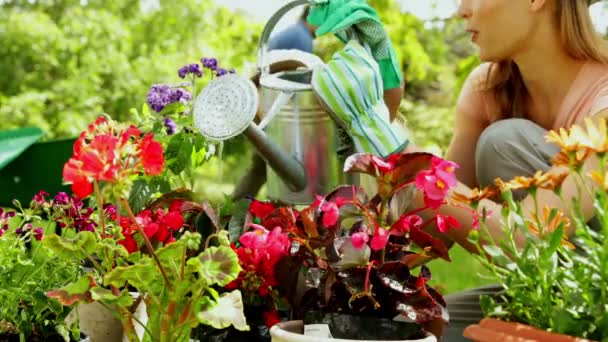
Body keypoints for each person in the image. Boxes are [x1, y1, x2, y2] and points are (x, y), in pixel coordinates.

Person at [415, 0, 608, 340]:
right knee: (419, 327)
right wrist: (376, 128)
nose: (461, 10)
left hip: (595, 295)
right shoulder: (487, 89)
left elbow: (532, 237)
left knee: (504, 141)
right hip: (544, 292)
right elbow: (436, 230)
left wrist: (422, 173)